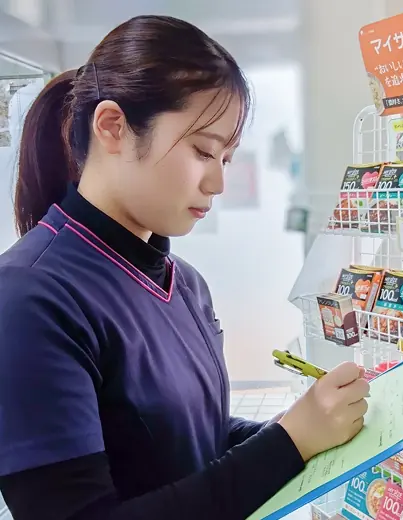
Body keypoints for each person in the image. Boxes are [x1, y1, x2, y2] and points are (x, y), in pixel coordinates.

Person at [0, 15, 370, 520]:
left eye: (227, 158)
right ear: (112, 127)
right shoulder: (29, 298)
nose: (217, 183)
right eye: (202, 151)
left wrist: (301, 431)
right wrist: (289, 443)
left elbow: (191, 441)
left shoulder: (186, 285)